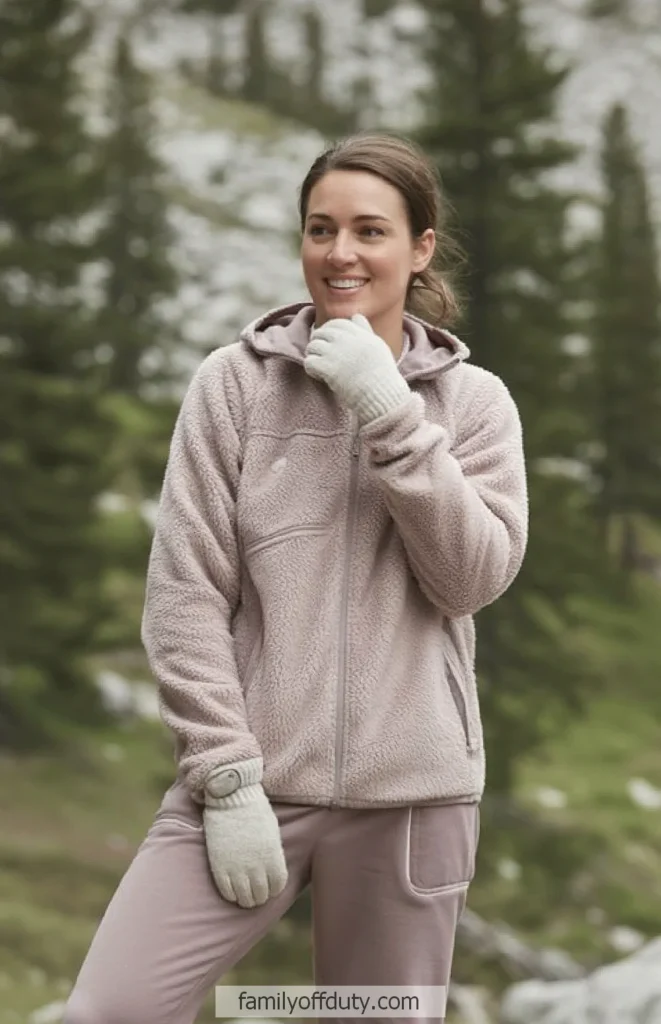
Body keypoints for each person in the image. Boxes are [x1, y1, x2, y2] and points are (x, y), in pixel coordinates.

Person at [63, 131, 528, 1024]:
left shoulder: (474, 405)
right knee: (108, 1010)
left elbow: (469, 576)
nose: (341, 253)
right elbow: (185, 595)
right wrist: (228, 780)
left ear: (420, 247)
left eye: (369, 230)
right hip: (250, 787)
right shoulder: (234, 388)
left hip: (412, 803)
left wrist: (387, 411)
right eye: (320, 229)